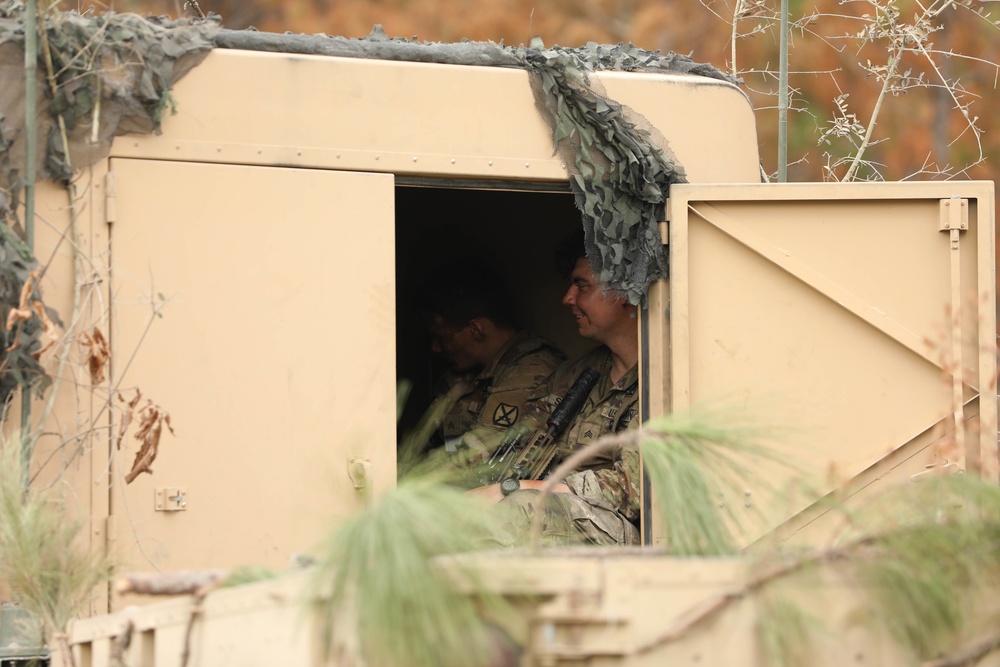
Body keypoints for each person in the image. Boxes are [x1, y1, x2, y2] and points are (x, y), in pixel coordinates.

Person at [472, 232, 642, 546]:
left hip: (625, 533)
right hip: (553, 514)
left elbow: (633, 490)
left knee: (522, 509)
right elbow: (524, 442)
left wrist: (516, 489)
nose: (568, 298)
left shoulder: (664, 380)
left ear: (624, 291)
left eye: (582, 286)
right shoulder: (574, 376)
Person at [420, 263, 565, 459]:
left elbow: (480, 448)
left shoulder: (532, 370)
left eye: (444, 338)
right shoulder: (467, 372)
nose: (435, 348)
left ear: (476, 330)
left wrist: (409, 468)